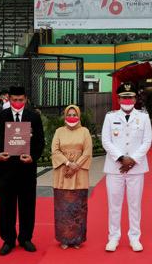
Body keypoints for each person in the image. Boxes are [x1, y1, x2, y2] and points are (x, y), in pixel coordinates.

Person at [0, 86, 45, 256]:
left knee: (27, 205)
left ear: (25, 99)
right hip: (6, 169)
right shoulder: (1, 116)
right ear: (9, 99)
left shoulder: (33, 116)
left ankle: (26, 237)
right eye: (14, 100)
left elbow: (40, 141)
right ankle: (8, 239)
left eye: (21, 100)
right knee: (6, 206)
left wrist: (33, 156)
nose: (17, 103)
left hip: (27, 169)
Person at [101, 82, 152, 252]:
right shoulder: (110, 116)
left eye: (130, 97)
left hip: (136, 168)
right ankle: (113, 237)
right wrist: (122, 158)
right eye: (124, 97)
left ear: (135, 98)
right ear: (118, 98)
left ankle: (134, 237)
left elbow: (147, 141)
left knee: (135, 204)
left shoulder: (143, 117)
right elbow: (106, 140)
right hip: (115, 167)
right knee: (114, 204)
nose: (127, 100)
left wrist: (132, 160)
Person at [51, 104, 92, 249]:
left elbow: (87, 152)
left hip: (80, 172)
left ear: (79, 116)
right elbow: (55, 151)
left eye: (75, 115)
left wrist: (76, 166)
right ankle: (64, 239)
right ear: (65, 116)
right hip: (63, 172)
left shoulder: (85, 131)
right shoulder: (59, 131)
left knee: (78, 207)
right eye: (70, 114)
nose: (72, 117)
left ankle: (77, 239)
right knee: (63, 207)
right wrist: (68, 163)